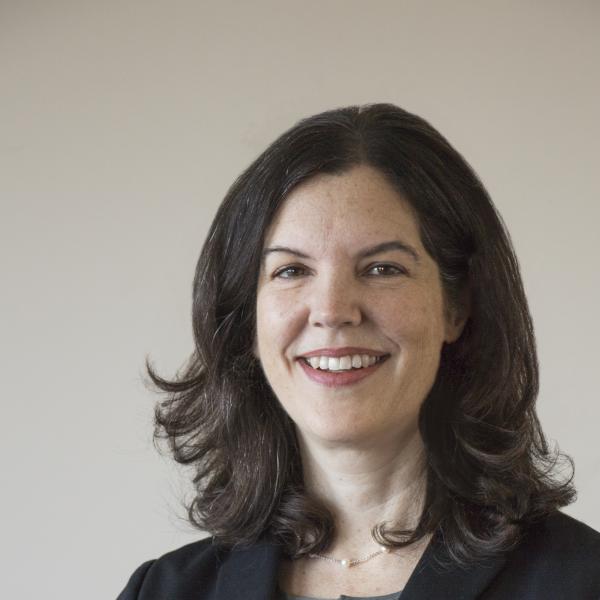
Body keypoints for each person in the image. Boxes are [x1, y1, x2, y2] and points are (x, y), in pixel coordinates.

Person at [117, 104, 600, 600]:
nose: (331, 310)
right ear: (248, 323)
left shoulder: (583, 580)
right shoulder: (163, 591)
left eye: (382, 269)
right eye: (291, 271)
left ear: (456, 307)